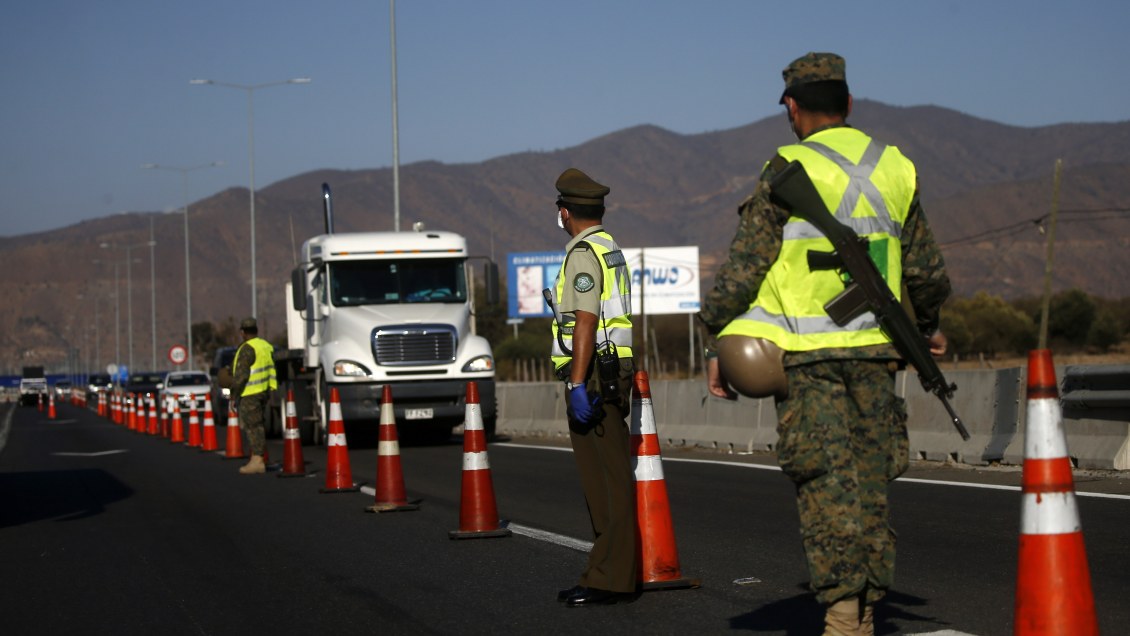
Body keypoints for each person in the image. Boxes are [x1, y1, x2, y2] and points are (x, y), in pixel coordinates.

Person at [698, 53, 952, 635]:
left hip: (810, 362)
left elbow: (743, 269)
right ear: (849, 104)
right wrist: (925, 326)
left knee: (826, 489)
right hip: (878, 356)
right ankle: (862, 612)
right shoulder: (895, 167)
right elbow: (928, 274)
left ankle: (844, 618)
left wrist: (716, 337)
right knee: (869, 488)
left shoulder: (786, 167)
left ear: (792, 105)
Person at [546, 168, 639, 607]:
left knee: (605, 481)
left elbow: (584, 321)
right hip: (612, 369)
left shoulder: (582, 254)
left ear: (566, 212)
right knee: (611, 477)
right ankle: (610, 571)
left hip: (595, 376)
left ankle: (610, 578)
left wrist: (578, 383)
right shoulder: (610, 247)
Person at [231, 317, 278, 474]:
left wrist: (233, 394)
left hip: (250, 392)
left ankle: (257, 460)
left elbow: (241, 376)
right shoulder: (265, 346)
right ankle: (262, 458)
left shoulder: (247, 349)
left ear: (242, 332)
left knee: (253, 426)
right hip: (263, 391)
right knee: (259, 425)